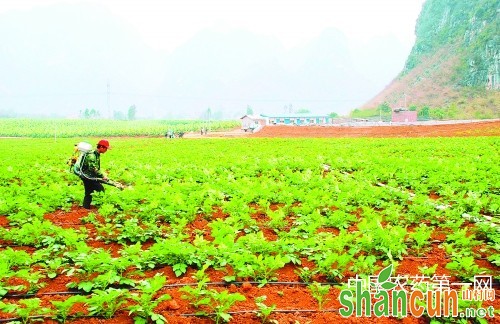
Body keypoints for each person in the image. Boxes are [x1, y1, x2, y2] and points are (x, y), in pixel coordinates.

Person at [79, 139, 111, 209]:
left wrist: (101, 175)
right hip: (88, 176)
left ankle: (85, 207)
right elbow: (93, 168)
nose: (106, 150)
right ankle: (103, 206)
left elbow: (95, 168)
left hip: (88, 176)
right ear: (101, 147)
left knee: (88, 192)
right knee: (100, 189)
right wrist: (102, 176)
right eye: (106, 148)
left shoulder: (96, 154)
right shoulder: (92, 156)